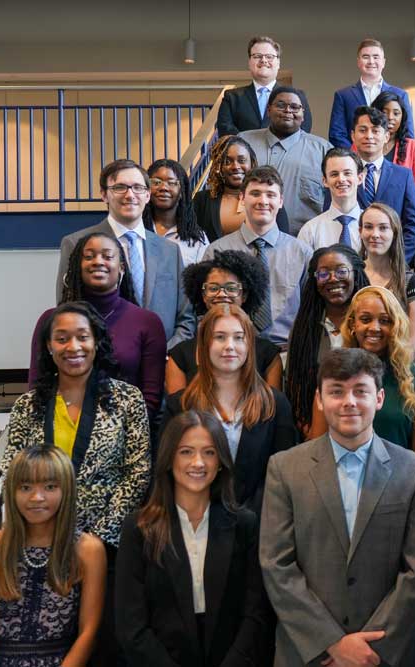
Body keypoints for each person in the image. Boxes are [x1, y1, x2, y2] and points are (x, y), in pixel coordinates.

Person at [260, 347, 415, 667]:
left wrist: (369, 649)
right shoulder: (284, 469)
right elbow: (276, 565)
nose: (349, 402)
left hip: (385, 654)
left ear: (379, 399)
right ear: (319, 399)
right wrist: (331, 643)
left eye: (360, 391)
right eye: (336, 392)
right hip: (310, 654)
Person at [4, 301, 151, 667]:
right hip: (41, 549)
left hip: (109, 548)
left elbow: (138, 472)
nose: (73, 347)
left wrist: (96, 539)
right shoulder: (28, 406)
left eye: (82, 337)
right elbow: (12, 469)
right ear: (49, 348)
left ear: (96, 342)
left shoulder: (127, 399)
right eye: (62, 338)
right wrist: (45, 531)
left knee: (105, 646)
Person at [116, 411, 270, 667]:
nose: (198, 462)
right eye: (186, 451)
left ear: (220, 460)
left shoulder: (244, 524)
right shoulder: (139, 529)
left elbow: (255, 614)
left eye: (209, 452)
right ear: (169, 458)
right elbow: (131, 627)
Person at [0, 446, 106, 667]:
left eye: (50, 486)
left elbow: (88, 632)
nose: (37, 497)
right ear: (12, 491)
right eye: (25, 487)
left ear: (66, 490)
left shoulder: (88, 550)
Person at [163, 304, 294, 508]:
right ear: (204, 346)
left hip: (260, 524)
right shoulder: (180, 406)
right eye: (220, 337)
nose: (229, 346)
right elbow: (167, 475)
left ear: (249, 344)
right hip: (197, 522)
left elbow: (285, 475)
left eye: (239, 337)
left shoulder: (275, 404)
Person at [56, 159, 195, 350]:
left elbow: (185, 319)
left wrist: (163, 356)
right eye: (120, 187)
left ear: (147, 195)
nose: (130, 195)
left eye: (138, 187)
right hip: (102, 365)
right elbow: (67, 311)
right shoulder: (77, 244)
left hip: (161, 365)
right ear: (104, 194)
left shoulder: (169, 250)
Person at [30, 231, 166, 416]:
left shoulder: (147, 322)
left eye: (107, 256)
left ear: (122, 267)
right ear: (78, 266)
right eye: (89, 256)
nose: (98, 262)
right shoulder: (51, 321)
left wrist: (117, 435)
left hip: (127, 433)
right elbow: (37, 388)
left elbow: (150, 399)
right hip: (59, 431)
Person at [203, 166, 313, 349]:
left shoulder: (302, 253)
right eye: (255, 193)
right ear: (242, 199)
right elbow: (203, 310)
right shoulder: (217, 251)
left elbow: (310, 311)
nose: (263, 201)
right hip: (234, 351)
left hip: (286, 351)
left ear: (281, 201)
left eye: (270, 195)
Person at [284, 245, 370, 440]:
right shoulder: (304, 328)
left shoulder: (369, 323)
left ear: (355, 274)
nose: (332, 278)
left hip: (365, 425)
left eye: (341, 271)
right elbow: (294, 381)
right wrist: (306, 424)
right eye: (323, 274)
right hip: (315, 431)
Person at [334, 286, 415, 456]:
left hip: (398, 479)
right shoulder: (333, 374)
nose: (375, 328)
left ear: (396, 326)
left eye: (385, 321)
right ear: (352, 324)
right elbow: (319, 447)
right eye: (365, 319)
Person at [167, 250, 283, 393]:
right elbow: (178, 411)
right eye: (213, 288)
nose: (221, 294)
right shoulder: (180, 355)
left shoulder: (268, 354)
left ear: (244, 295)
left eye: (231, 288)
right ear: (203, 295)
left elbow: (273, 409)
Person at [238, 86, 332, 235]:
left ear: (303, 114)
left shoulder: (323, 150)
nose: (288, 111)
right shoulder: (243, 142)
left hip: (302, 240)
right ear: (268, 110)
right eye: (281, 105)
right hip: (245, 238)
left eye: (295, 107)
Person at [349, 106, 415, 262]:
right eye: (363, 130)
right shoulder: (343, 175)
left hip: (394, 264)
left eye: (375, 131)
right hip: (351, 265)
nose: (369, 136)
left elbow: (413, 225)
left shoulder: (403, 175)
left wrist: (397, 261)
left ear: (387, 136)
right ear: (353, 136)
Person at [191, 135, 292, 242]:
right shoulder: (202, 200)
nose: (235, 166)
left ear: (252, 163)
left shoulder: (268, 199)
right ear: (218, 166)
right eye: (227, 161)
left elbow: (283, 241)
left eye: (242, 160)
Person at [359, 203, 415, 354]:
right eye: (368, 227)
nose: (375, 234)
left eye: (383, 228)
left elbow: (414, 343)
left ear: (395, 233)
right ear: (360, 231)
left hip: (397, 368)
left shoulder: (410, 280)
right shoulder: (353, 275)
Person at [216, 35, 313, 136]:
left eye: (269, 56)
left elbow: (304, 130)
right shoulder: (232, 97)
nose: (263, 60)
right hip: (244, 151)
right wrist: (249, 146)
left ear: (278, 63)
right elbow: (225, 129)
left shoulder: (297, 97)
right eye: (257, 56)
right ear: (249, 62)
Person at [329, 38, 415, 149]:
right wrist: (357, 155)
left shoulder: (400, 94)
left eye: (376, 57)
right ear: (358, 62)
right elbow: (336, 135)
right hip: (356, 162)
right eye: (365, 57)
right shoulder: (343, 95)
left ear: (383, 62)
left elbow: (408, 133)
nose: (371, 61)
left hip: (393, 160)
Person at [297, 147, 364, 253]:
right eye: (334, 174)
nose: (341, 179)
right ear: (325, 181)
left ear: (360, 178)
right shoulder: (310, 231)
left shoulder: (373, 227)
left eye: (347, 173)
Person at [143, 158, 207, 267]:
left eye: (171, 183)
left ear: (181, 191)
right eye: (156, 182)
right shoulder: (135, 231)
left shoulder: (196, 239)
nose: (163, 187)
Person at [372, 90, 415, 199]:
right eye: (384, 112)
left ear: (403, 117)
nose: (390, 117)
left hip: (400, 211)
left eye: (396, 113)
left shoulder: (413, 147)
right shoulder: (362, 143)